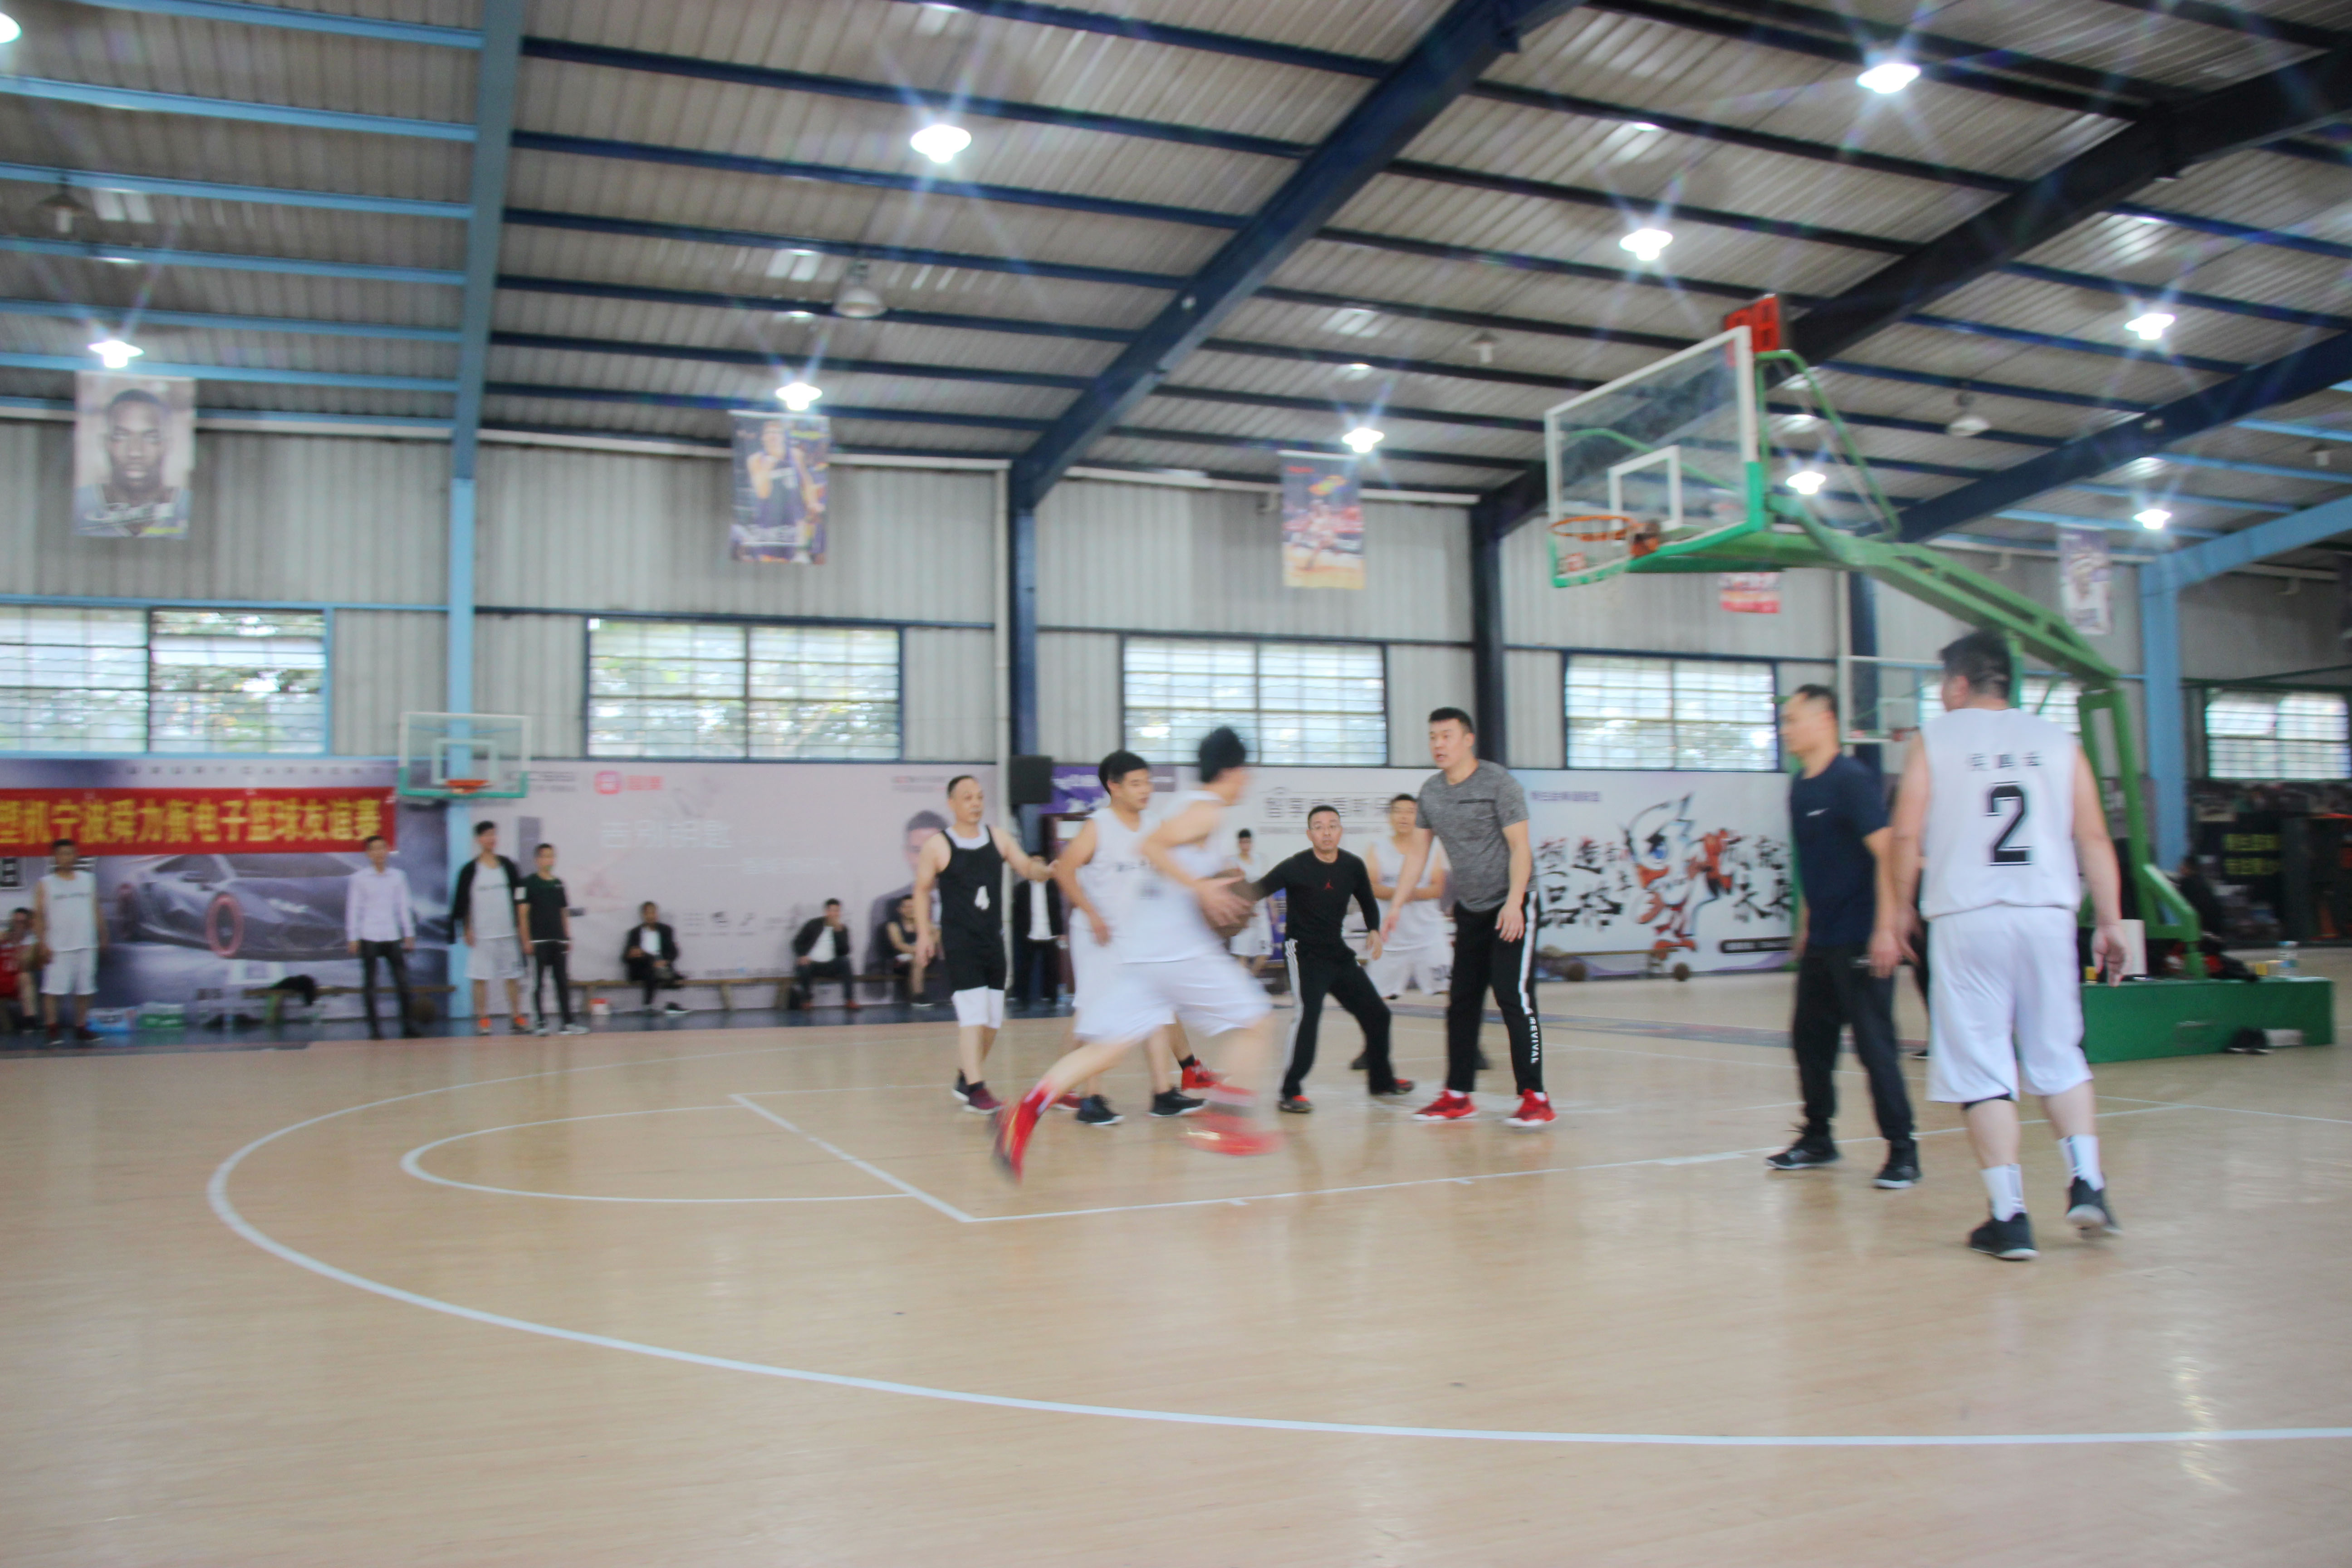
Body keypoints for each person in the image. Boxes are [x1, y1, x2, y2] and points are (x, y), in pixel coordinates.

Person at [1873, 631, 2126, 1261]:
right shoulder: (2059, 741)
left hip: (1969, 918)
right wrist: (2111, 920)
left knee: (1984, 1068)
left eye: (1943, 684)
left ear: (1960, 684)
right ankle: (2088, 1183)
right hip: (2047, 915)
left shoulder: (1936, 739)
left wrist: (1899, 909)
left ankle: (2010, 1218)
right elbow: (2094, 838)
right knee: (2058, 1054)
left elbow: (1905, 836)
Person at [995, 728, 1277, 1179]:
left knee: (1106, 1049)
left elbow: (1170, 852)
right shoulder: (1205, 809)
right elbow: (1152, 847)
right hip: (1177, 951)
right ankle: (1228, 1122)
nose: (1248, 780)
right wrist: (1201, 887)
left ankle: (1024, 1113)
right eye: (1247, 771)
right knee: (1259, 1021)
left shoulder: (1186, 806)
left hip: (1144, 954)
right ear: (1233, 770)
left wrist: (1219, 880)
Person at [1768, 686, 1918, 1186]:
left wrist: (1886, 928)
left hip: (1861, 936)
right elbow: (1814, 859)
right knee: (1810, 1039)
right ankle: (1818, 1137)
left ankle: (1903, 1151)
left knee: (1875, 1046)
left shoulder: (1851, 780)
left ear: (1825, 720)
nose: (1786, 729)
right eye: (1785, 721)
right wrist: (1807, 921)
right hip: (1823, 938)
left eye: (1794, 719)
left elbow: (1887, 853)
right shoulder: (1800, 786)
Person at [1379, 708, 1551, 1128]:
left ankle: (1536, 1097)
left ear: (1468, 739)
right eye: (1433, 737)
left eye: (1447, 736)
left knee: (1514, 996)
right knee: (1462, 1002)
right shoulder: (1431, 792)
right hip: (1471, 908)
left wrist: (1515, 903)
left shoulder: (1499, 783)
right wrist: (1397, 904)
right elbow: (1417, 853)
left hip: (1512, 903)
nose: (1438, 744)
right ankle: (1457, 1095)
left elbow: (1521, 848)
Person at [1047, 749, 1208, 1127]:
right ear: (1114, 787)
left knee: (1156, 1010)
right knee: (1099, 1015)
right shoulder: (1098, 826)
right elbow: (1065, 871)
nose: (1146, 789)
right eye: (1136, 783)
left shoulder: (1153, 825)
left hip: (1139, 935)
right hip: (1098, 935)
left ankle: (1163, 1094)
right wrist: (1092, 914)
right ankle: (1091, 1098)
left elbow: (1166, 872)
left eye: (1148, 782)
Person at [1239, 805, 1414, 1112]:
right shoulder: (1295, 866)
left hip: (1337, 954)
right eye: (1319, 827)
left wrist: (1374, 929)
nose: (1326, 832)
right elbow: (1257, 890)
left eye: (1332, 825)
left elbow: (1367, 900)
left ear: (1340, 831)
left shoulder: (1353, 866)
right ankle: (1290, 1092)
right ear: (1310, 835)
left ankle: (1382, 1081)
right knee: (1308, 1016)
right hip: (1303, 953)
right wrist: (1227, 896)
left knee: (1378, 1014)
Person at [913, 774, 1052, 1113]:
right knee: (972, 1016)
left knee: (991, 1021)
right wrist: (924, 933)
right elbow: (922, 890)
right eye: (967, 798)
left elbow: (1026, 867)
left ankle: (966, 1077)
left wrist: (1047, 871)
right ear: (952, 804)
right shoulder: (938, 846)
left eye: (979, 797)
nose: (975, 803)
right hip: (960, 943)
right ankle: (977, 1088)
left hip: (993, 941)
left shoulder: (998, 838)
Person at [74, 387, 190, 537]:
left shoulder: (191, 506)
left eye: (150, 437)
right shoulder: (77, 504)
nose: (135, 452)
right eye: (122, 436)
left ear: (166, 445)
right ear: (106, 443)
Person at [448, 821, 529, 1034]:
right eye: (486, 835)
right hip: (482, 933)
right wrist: (467, 928)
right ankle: (483, 1018)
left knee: (513, 976)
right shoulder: (470, 870)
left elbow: (520, 897)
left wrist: (521, 925)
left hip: (508, 931)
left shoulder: (508, 866)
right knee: (480, 977)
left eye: (493, 834)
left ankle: (516, 1016)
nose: (491, 839)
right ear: (478, 840)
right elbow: (464, 902)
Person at [1367, 793, 1450, 1003]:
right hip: (1390, 939)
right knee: (1377, 999)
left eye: (1410, 812)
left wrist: (1407, 893)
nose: (1404, 817)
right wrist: (1404, 893)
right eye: (1398, 812)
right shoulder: (1377, 848)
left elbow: (1437, 888)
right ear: (1390, 817)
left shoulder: (1433, 848)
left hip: (1429, 936)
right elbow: (1372, 887)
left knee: (1448, 993)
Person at [344, 833, 421, 1041]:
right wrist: (353, 937)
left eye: (383, 848)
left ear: (388, 851)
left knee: (403, 983)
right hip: (369, 934)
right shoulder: (359, 878)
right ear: (368, 854)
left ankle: (408, 1027)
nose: (379, 853)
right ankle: (375, 1030)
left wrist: (409, 933)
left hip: (392, 934)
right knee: (371, 984)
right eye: (375, 849)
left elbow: (403, 906)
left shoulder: (398, 877)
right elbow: (354, 908)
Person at [34, 838, 104, 1046]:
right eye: (63, 854)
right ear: (55, 857)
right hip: (58, 946)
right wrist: (42, 943)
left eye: (71, 853)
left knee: (85, 989)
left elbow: (96, 909)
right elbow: (39, 916)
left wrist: (103, 934)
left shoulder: (88, 880)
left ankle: (81, 1027)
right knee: (53, 990)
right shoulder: (46, 884)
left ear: (76, 855)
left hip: (86, 944)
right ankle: (52, 1029)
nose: (67, 858)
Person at [867, 810, 948, 974]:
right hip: (906, 984)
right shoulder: (884, 905)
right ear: (907, 854)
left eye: (933, 851)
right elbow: (874, 968)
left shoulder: (967, 900)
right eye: (917, 851)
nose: (925, 859)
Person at [521, 843, 586, 1036]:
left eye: (552, 856)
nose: (549, 860)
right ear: (537, 860)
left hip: (558, 941)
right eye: (545, 856)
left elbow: (563, 912)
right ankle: (540, 1022)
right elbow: (522, 914)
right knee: (538, 983)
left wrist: (567, 937)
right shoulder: (528, 884)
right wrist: (526, 940)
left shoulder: (559, 884)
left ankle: (568, 1023)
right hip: (539, 942)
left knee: (562, 982)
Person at [790, 899, 860, 1011]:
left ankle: (849, 1000)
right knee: (803, 967)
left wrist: (839, 933)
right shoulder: (813, 924)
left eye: (837, 911)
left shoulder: (842, 929)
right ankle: (807, 1000)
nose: (835, 914)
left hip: (831, 964)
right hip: (812, 963)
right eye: (832, 911)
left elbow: (845, 951)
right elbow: (797, 942)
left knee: (846, 961)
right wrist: (802, 955)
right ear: (826, 912)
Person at [1009, 869, 1064, 1008]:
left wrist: (1060, 932)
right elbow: (1017, 912)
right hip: (1029, 934)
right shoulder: (1023, 888)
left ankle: (1053, 1000)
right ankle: (1023, 1001)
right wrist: (1020, 932)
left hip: (1049, 934)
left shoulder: (1052, 886)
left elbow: (1057, 909)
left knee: (1051, 969)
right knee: (1025, 969)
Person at [623, 903, 687, 1015]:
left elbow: (674, 952)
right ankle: (648, 1005)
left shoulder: (666, 930)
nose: (651, 916)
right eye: (648, 913)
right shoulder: (635, 933)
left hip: (662, 965)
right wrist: (632, 955)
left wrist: (665, 961)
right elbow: (625, 958)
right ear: (643, 915)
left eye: (653, 913)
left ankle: (671, 1005)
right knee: (650, 968)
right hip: (641, 968)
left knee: (677, 978)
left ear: (657, 914)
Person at [1227, 828, 1274, 980]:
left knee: (1265, 952)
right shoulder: (1233, 862)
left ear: (1251, 843)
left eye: (1248, 842)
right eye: (1242, 842)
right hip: (1243, 914)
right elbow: (1231, 889)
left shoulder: (1260, 860)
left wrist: (1273, 908)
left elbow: (1267, 886)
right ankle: (1243, 985)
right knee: (1243, 954)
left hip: (1261, 913)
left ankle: (1251, 980)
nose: (1245, 845)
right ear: (1239, 844)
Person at [878, 895, 924, 1003]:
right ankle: (918, 996)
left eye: (913, 907)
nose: (910, 910)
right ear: (900, 910)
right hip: (899, 961)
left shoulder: (923, 925)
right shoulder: (894, 926)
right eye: (907, 907)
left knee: (919, 960)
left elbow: (935, 939)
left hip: (922, 958)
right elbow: (899, 945)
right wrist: (920, 951)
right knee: (917, 960)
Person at [1, 906, 36, 1034]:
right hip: (2, 979)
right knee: (7, 1030)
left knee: (25, 977)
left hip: (16, 982)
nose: (18, 926)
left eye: (22, 922)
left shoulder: (31, 941)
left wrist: (17, 944)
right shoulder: (3, 937)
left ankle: (30, 1021)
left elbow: (26, 964)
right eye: (16, 922)